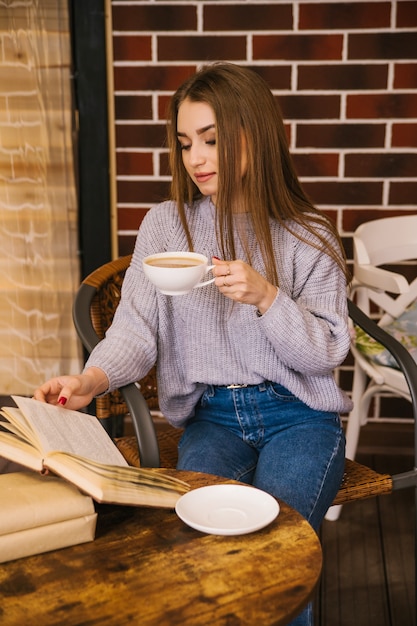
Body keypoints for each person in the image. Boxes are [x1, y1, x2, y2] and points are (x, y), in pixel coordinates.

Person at [35, 62, 353, 625]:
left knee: (279, 547)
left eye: (211, 140)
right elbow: (136, 329)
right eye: (185, 144)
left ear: (256, 135)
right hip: (212, 419)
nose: (196, 159)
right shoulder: (165, 225)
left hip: (300, 417)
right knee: (198, 541)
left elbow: (325, 353)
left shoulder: (309, 235)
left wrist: (267, 297)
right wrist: (90, 380)